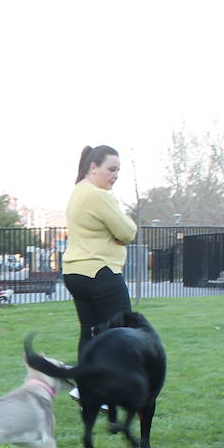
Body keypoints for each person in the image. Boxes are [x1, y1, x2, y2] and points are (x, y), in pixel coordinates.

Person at [62, 145, 137, 357]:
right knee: (123, 333)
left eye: (118, 170)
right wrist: (118, 234)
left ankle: (85, 387)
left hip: (75, 273)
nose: (116, 175)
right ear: (93, 167)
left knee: (90, 331)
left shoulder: (78, 191)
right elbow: (127, 232)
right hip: (100, 272)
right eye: (111, 169)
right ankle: (118, 386)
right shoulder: (99, 196)